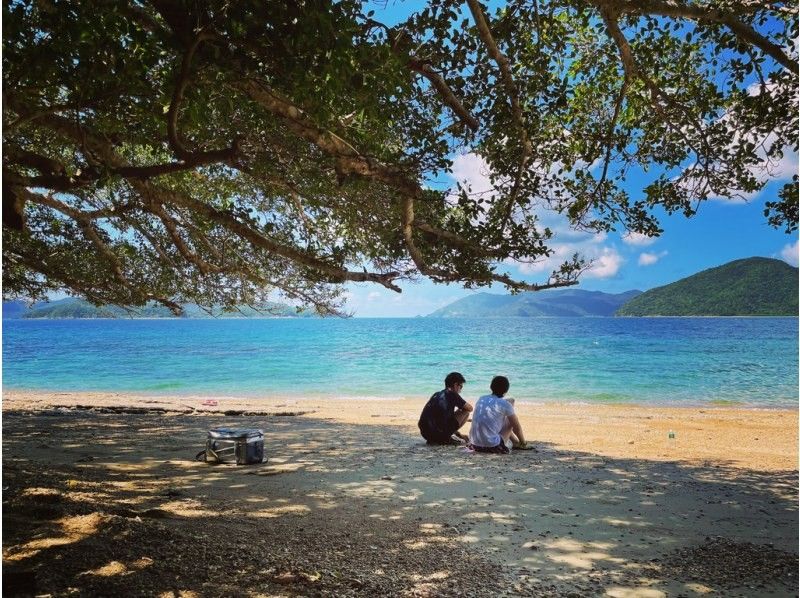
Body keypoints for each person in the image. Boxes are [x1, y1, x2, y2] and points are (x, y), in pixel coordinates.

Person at [469, 376, 529, 454]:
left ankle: (515, 443)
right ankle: (520, 444)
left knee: (509, 405)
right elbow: (516, 427)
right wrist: (523, 442)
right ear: (506, 390)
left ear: (491, 387)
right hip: (492, 446)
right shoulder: (505, 404)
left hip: (474, 444)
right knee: (511, 421)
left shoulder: (482, 398)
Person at [418, 372, 473, 444]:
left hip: (425, 433)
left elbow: (443, 418)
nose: (461, 390)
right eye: (461, 386)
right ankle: (445, 437)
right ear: (456, 385)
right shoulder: (452, 394)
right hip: (439, 434)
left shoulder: (437, 394)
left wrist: (458, 434)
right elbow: (470, 408)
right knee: (465, 412)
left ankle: (446, 436)